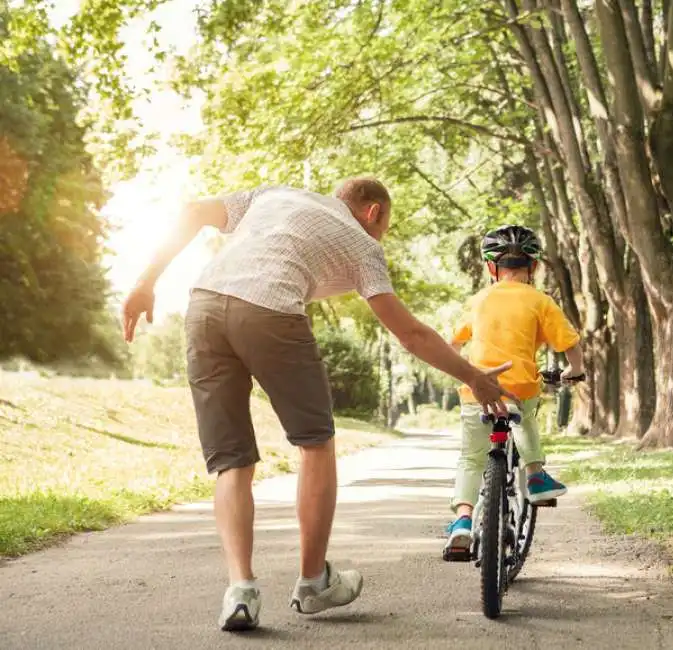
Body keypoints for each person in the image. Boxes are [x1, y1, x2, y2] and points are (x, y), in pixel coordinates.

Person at [121, 179, 516, 632]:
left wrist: (145, 283)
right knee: (315, 443)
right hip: (270, 312)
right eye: (385, 225)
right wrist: (473, 378)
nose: (381, 236)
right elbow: (411, 334)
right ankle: (312, 583)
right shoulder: (363, 244)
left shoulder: (272, 196)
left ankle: (241, 590)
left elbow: (191, 210)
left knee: (231, 459)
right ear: (373, 213)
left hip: (204, 307)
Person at [442, 224, 584, 559]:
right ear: (533, 266)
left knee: (471, 457)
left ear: (492, 267)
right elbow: (569, 344)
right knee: (525, 421)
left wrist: (463, 369)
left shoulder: (478, 300)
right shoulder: (540, 300)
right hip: (519, 386)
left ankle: (462, 521)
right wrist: (574, 370)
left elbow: (453, 343)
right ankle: (535, 476)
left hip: (477, 388)